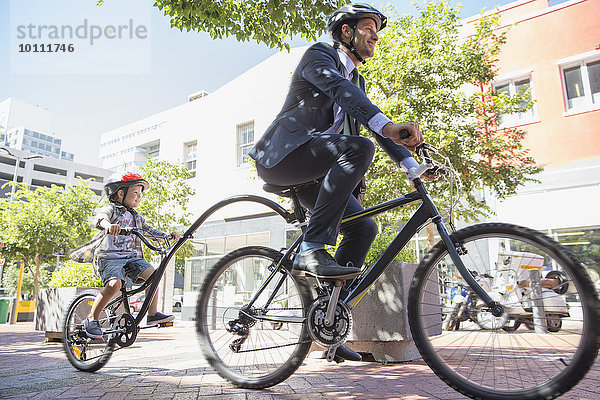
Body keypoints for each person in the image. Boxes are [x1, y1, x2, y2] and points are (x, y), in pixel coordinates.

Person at [249, 3, 428, 361]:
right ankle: (311, 248)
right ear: (346, 31)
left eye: (378, 29)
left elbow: (371, 124)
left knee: (364, 228)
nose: (376, 35)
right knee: (356, 147)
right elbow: (344, 94)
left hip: (315, 172)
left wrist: (414, 163)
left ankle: (329, 324)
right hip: (283, 157)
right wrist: (388, 124)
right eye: (368, 27)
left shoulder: (358, 80)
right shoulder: (320, 56)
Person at [83, 173, 180, 339]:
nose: (139, 197)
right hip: (109, 258)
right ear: (121, 193)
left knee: (154, 275)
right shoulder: (111, 209)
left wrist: (168, 236)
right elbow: (100, 218)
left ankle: (152, 314)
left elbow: (149, 231)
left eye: (140, 194)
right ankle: (92, 318)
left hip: (130, 258)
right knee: (115, 284)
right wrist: (109, 226)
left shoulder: (135, 216)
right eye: (136, 193)